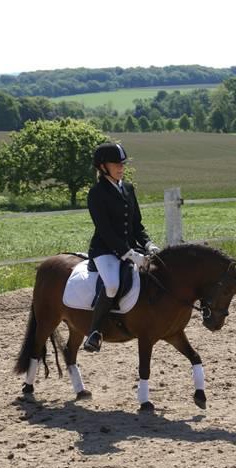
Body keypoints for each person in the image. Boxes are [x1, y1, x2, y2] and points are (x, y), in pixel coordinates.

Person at [83, 142, 159, 352]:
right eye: (116, 164)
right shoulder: (96, 193)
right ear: (102, 167)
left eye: (122, 164)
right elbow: (106, 231)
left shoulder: (128, 188)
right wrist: (130, 254)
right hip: (105, 250)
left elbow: (136, 225)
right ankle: (94, 332)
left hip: (131, 247)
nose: (121, 167)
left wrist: (148, 244)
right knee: (113, 285)